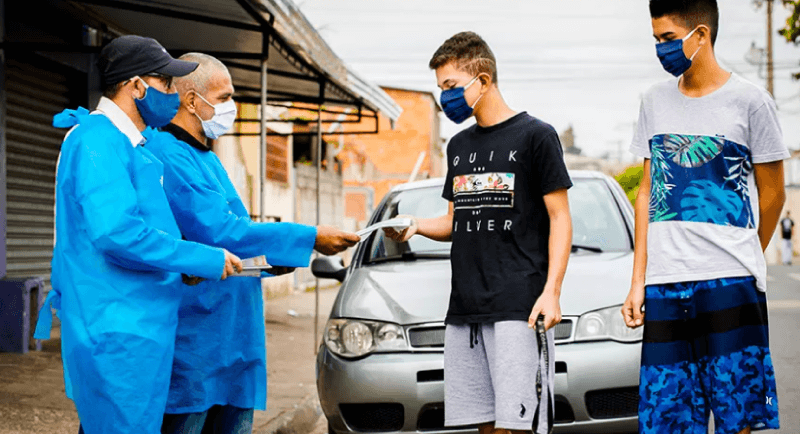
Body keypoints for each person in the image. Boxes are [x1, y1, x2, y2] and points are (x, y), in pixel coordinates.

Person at [33, 36, 244, 434]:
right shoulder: (97, 140)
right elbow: (117, 232)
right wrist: (200, 257)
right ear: (136, 86)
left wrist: (181, 268)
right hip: (116, 327)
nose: (173, 94)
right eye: (166, 83)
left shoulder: (130, 144)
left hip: (136, 325)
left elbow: (141, 231)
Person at [143, 52, 360, 434]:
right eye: (225, 97)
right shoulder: (167, 154)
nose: (232, 106)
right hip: (199, 332)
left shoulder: (205, 157)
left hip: (234, 328)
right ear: (191, 100)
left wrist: (272, 261)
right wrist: (309, 236)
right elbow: (220, 232)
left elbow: (239, 235)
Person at [621, 0, 788, 434]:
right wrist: (638, 281)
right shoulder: (653, 101)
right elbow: (646, 191)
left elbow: (774, 192)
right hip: (664, 284)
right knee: (667, 419)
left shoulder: (751, 102)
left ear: (701, 35)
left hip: (731, 282)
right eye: (656, 39)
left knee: (740, 416)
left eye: (668, 38)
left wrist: (744, 253)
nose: (661, 49)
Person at [385, 32, 572, 434]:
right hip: (465, 310)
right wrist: (416, 225)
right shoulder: (458, 145)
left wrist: (552, 292)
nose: (445, 98)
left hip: (519, 308)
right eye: (441, 88)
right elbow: (454, 221)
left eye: (451, 86)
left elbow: (560, 218)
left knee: (516, 427)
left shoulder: (536, 136)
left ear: (483, 80)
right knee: (483, 427)